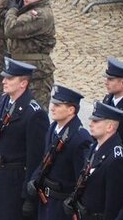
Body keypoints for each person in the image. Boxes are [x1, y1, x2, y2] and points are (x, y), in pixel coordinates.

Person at [0, 58, 50, 220]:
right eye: (4, 77)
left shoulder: (34, 114)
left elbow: (35, 159)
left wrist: (28, 198)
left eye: (9, 78)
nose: (4, 81)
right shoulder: (4, 100)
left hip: (14, 183)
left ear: (23, 83)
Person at [24, 84, 91, 220]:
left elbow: (82, 179)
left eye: (58, 105)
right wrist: (34, 178)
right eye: (53, 103)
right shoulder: (53, 128)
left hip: (61, 205)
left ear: (71, 110)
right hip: (45, 201)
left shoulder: (80, 139)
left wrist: (74, 203)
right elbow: (45, 159)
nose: (52, 108)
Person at [68, 101, 123, 219]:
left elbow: (113, 205)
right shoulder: (94, 147)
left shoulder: (116, 159)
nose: (91, 124)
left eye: (96, 121)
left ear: (109, 127)